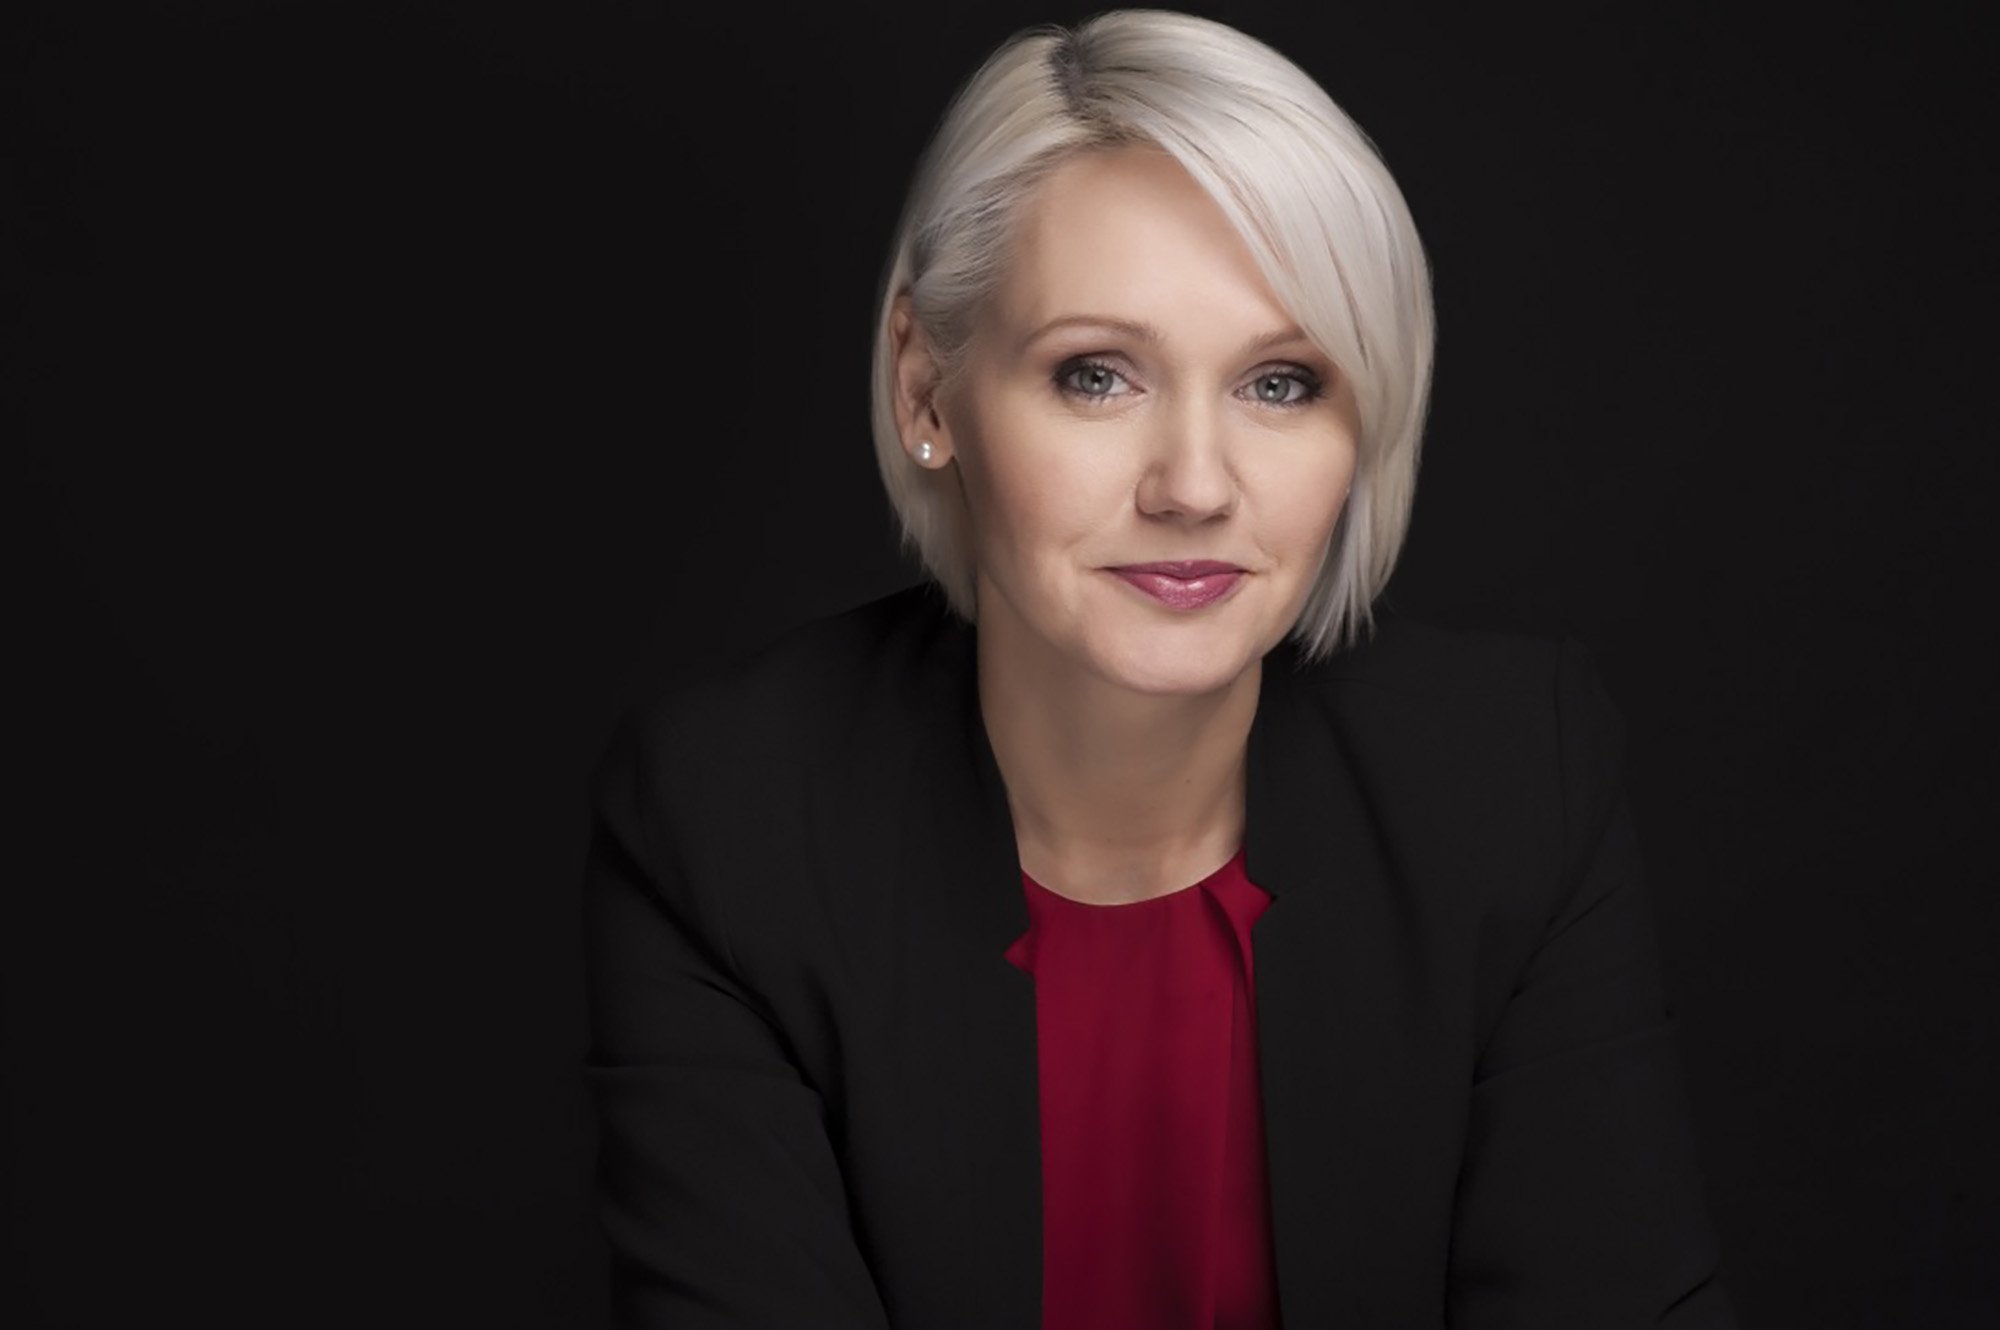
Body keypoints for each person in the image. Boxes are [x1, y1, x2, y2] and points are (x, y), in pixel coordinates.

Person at [580, 9, 1735, 1327]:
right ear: (925, 389)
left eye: (1280, 383)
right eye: (1096, 375)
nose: (1193, 486)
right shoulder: (729, 820)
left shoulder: (1512, 782)